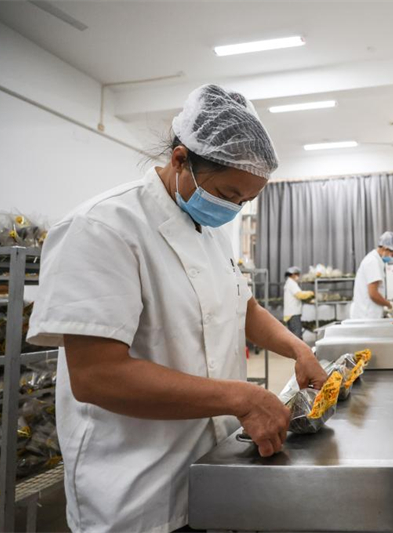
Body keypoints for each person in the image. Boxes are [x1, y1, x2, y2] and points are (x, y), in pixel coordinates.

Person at [27, 84, 328, 533]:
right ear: (181, 159)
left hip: (212, 467)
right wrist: (241, 397)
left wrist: (297, 349)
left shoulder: (211, 233)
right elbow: (96, 376)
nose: (233, 209)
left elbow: (240, 306)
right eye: (227, 193)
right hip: (135, 490)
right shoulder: (101, 228)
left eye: (244, 201)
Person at [349, 231, 393, 319]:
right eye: (392, 255)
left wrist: (384, 307)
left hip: (368, 314)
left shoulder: (376, 260)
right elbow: (373, 294)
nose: (392, 258)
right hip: (366, 316)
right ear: (385, 248)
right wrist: (392, 305)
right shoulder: (373, 262)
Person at [283, 266, 313, 338]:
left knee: (293, 335)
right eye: (297, 275)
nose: (298, 276)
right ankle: (298, 349)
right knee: (297, 335)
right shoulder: (291, 283)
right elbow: (300, 295)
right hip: (293, 314)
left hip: (291, 313)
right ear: (293, 274)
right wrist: (311, 293)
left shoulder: (289, 283)